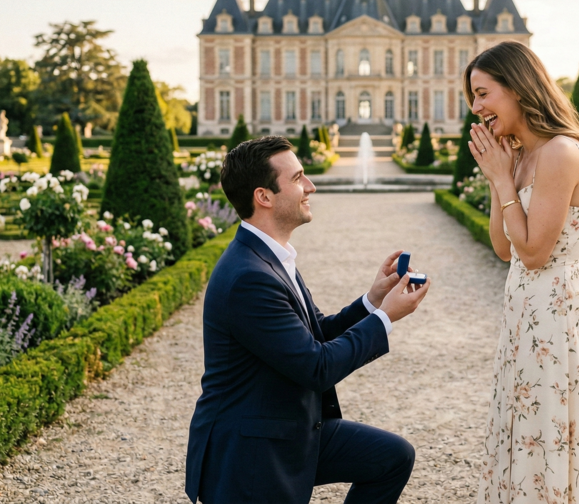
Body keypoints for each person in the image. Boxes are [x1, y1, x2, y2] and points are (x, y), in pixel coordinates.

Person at [185, 135, 431, 504]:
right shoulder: (249, 277)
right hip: (251, 450)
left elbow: (316, 334)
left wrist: (373, 299)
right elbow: (316, 366)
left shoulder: (269, 256)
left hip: (287, 427)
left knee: (392, 457)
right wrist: (384, 318)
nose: (311, 186)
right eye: (299, 177)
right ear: (263, 197)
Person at [463, 41, 579, 503]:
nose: (476, 106)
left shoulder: (561, 152)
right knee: (523, 429)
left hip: (555, 319)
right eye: (473, 96)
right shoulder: (522, 154)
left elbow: (534, 253)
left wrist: (503, 178)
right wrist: (498, 175)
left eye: (484, 93)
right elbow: (503, 247)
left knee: (548, 436)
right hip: (524, 316)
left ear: (518, 88)